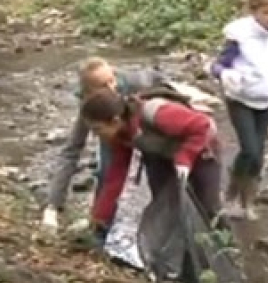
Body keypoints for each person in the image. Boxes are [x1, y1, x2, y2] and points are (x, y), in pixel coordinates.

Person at [79, 87, 222, 244]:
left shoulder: (158, 114)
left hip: (202, 149)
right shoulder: (120, 134)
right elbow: (117, 174)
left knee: (209, 205)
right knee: (165, 206)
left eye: (97, 129)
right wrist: (100, 214)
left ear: (115, 120)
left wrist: (184, 159)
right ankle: (179, 249)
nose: (95, 135)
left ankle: (224, 246)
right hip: (162, 154)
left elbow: (202, 125)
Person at [41, 57, 165, 235]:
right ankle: (99, 224)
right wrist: (52, 206)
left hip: (149, 130)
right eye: (102, 85)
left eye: (112, 80)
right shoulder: (88, 105)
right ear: (88, 92)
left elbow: (160, 80)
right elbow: (72, 151)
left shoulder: (135, 82)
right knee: (107, 172)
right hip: (112, 130)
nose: (111, 88)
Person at [209, 0, 268, 216]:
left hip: (266, 99)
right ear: (253, 13)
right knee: (250, 150)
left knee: (259, 154)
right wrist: (225, 74)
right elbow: (217, 65)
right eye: (265, 12)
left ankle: (247, 203)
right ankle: (231, 196)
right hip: (241, 98)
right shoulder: (239, 35)